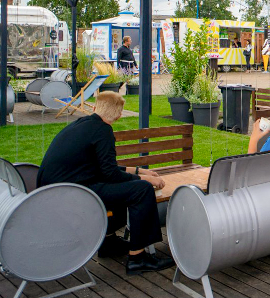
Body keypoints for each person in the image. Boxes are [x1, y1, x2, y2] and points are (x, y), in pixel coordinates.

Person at [37, 92, 173, 275]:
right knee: (142, 190)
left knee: (123, 187)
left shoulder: (83, 124)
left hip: (53, 192)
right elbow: (111, 174)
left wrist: (140, 171)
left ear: (95, 108)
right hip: (71, 195)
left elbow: (105, 168)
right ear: (118, 115)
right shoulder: (103, 131)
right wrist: (146, 179)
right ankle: (137, 258)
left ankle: (108, 243)